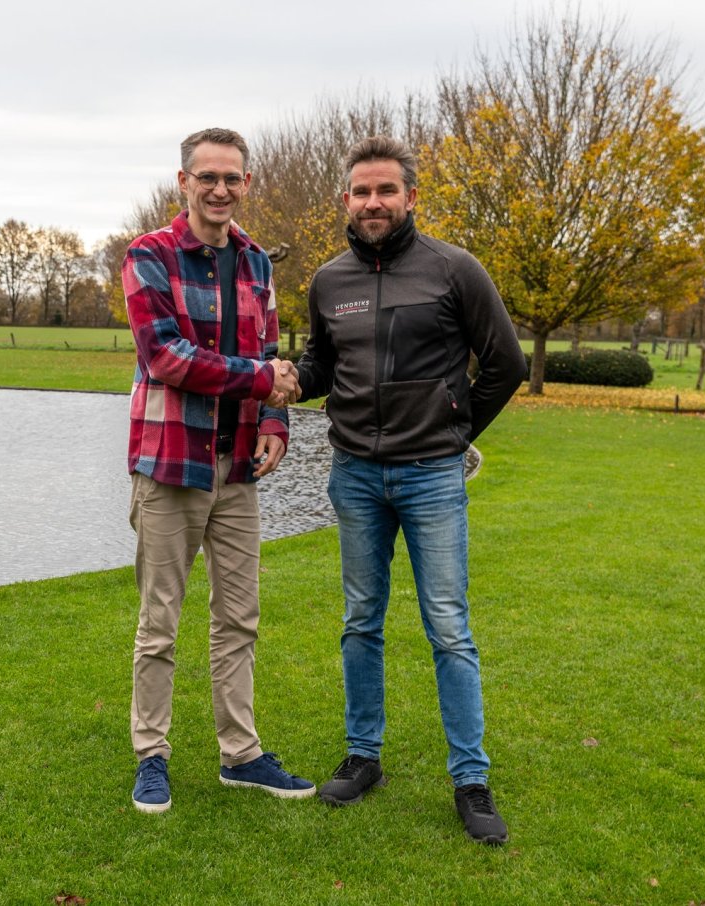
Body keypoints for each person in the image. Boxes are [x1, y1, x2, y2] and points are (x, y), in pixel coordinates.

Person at [294, 135, 527, 844]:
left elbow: (506, 363)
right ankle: (364, 757)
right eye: (362, 192)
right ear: (346, 199)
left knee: (449, 628)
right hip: (354, 475)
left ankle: (471, 779)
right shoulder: (329, 281)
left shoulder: (454, 270)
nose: (373, 203)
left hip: (431, 476)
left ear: (410, 197)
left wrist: (453, 433)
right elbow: (319, 368)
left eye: (386, 191)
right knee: (361, 619)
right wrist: (277, 382)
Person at [122, 126, 312, 814]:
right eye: (207, 177)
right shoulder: (149, 255)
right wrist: (262, 381)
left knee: (240, 618)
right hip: (170, 464)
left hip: (238, 472)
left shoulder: (258, 263)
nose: (220, 189)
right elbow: (166, 357)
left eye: (232, 178)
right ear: (185, 182)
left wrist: (275, 421)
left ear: (247, 183)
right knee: (159, 622)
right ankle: (153, 754)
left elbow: (269, 354)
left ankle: (242, 754)